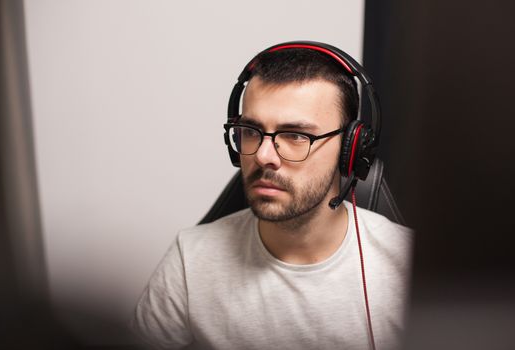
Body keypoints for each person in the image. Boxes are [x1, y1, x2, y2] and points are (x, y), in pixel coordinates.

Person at [132, 42, 413, 350]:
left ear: (350, 148)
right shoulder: (191, 261)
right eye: (251, 131)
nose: (264, 155)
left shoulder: (409, 268)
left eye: (295, 135)